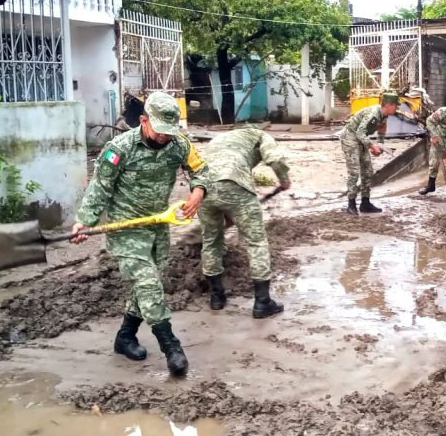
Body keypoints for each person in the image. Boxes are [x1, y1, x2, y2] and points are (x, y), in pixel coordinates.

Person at [70, 92, 207, 377]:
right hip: (125, 228)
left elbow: (201, 169)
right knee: (147, 283)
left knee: (147, 284)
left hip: (158, 225)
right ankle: (171, 347)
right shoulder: (118, 149)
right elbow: (100, 189)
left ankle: (125, 337)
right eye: (160, 131)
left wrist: (198, 191)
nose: (164, 137)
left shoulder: (178, 144)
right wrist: (84, 221)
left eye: (170, 132)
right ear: (144, 121)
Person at [199, 125, 290, 318]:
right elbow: (275, 159)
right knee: (256, 241)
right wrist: (284, 180)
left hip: (201, 187)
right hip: (234, 182)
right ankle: (263, 303)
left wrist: (227, 214)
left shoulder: (221, 139)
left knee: (211, 241)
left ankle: (216, 298)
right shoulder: (261, 135)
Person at [340, 92, 399, 214]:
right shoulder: (372, 114)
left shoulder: (384, 115)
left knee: (367, 171)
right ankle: (351, 204)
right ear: (388, 105)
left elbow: (382, 130)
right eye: (395, 106)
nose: (397, 108)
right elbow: (359, 133)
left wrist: (380, 145)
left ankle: (365, 203)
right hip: (350, 137)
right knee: (354, 171)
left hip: (361, 139)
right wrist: (372, 145)